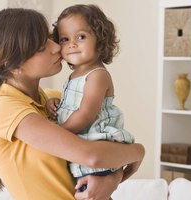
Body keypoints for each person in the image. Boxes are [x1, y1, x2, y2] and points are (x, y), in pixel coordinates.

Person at [0, 7, 145, 200]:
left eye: (51, 38)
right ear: (15, 65)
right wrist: (137, 152)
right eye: (42, 47)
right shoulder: (2, 108)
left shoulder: (57, 99)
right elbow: (93, 156)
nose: (57, 47)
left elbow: (103, 152)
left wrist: (111, 178)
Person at [47, 4, 136, 193]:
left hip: (95, 155)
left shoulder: (97, 75)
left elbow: (85, 114)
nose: (72, 44)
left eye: (81, 37)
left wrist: (57, 133)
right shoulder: (74, 76)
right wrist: (56, 104)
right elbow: (71, 106)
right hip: (81, 155)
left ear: (100, 39)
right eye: (64, 39)